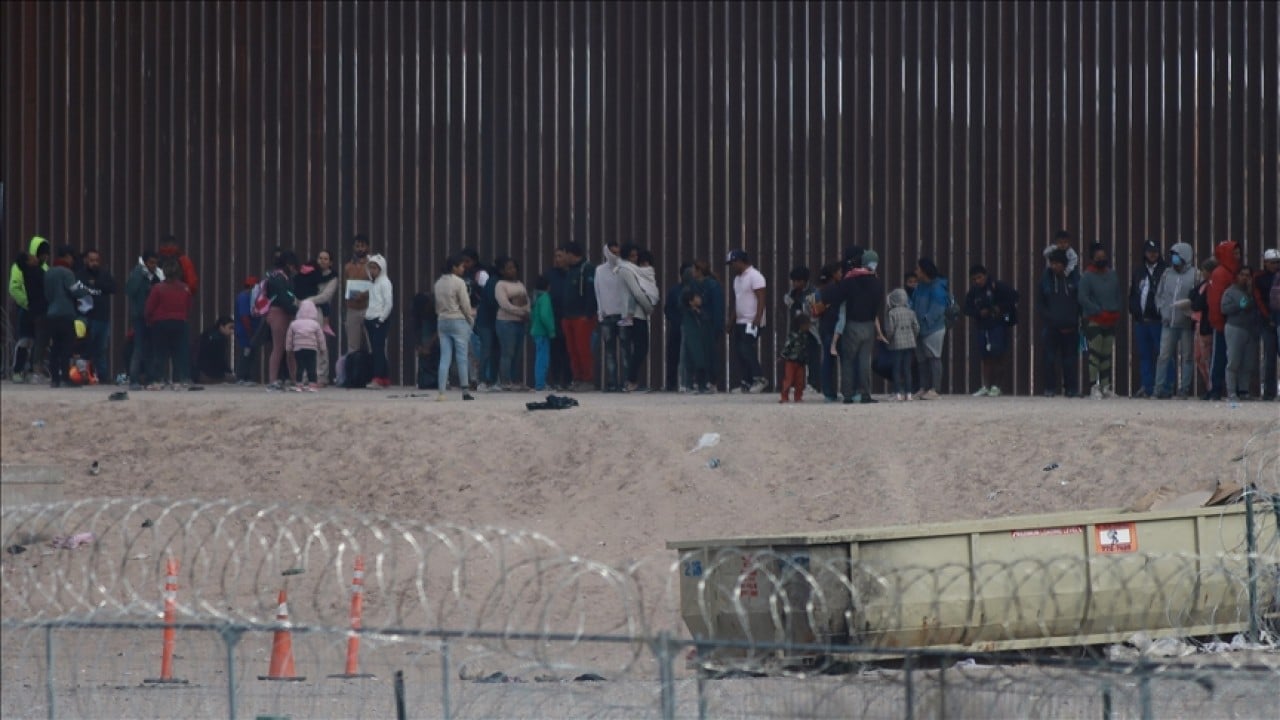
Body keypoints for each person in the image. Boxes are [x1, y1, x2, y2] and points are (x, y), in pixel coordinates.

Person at [817, 247, 883, 404]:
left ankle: (848, 395)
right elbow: (876, 306)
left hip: (852, 325)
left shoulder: (849, 281)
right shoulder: (877, 283)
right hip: (868, 325)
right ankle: (865, 394)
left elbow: (836, 298)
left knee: (848, 360)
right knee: (864, 360)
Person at [964, 265, 1020, 397]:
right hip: (982, 326)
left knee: (999, 355)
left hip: (998, 325)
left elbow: (1015, 297)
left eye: (980, 277)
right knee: (985, 357)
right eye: (975, 279)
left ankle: (997, 386)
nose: (978, 281)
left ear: (986, 275)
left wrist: (998, 308)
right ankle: (986, 386)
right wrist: (978, 312)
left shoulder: (997, 286)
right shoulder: (974, 291)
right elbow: (966, 308)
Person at [1078, 243, 1123, 399]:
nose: (1102, 260)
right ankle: (1093, 386)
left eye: (1104, 258)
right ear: (1092, 259)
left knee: (1106, 354)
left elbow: (1118, 294)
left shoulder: (1112, 275)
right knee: (1094, 354)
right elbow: (1083, 298)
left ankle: (1106, 386)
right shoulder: (1087, 276)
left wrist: (1116, 310)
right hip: (1094, 320)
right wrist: (1097, 311)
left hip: (1110, 320)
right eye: (1098, 258)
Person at [1153, 243, 1197, 399]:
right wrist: (1161, 310)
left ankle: (1184, 389)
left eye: (1177, 254)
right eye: (1172, 254)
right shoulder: (1167, 274)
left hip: (1186, 324)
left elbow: (1197, 297)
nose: (1174, 258)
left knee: (1187, 357)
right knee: (1163, 356)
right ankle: (1158, 389)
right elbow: (1159, 294)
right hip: (1168, 323)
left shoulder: (1194, 274)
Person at [43, 246, 91, 388]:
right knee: (66, 347)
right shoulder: (67, 273)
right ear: (67, 257)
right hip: (65, 314)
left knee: (55, 347)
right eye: (71, 258)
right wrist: (86, 292)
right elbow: (74, 290)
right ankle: (65, 377)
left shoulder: (48, 273)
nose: (72, 261)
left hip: (51, 313)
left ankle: (55, 379)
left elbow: (47, 295)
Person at [144, 258, 193, 389]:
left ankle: (158, 380)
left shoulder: (157, 288)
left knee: (160, 353)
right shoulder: (185, 288)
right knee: (179, 352)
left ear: (164, 272)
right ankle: (180, 380)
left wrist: (149, 320)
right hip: (179, 323)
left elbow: (149, 307)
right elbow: (188, 306)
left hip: (160, 324)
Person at [1128, 240, 1168, 398]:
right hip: (1141, 321)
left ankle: (1165, 387)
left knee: (1163, 355)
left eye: (1155, 251)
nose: (1153, 254)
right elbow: (1133, 293)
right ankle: (1147, 386)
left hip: (1157, 320)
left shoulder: (1165, 271)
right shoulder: (1139, 271)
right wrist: (1134, 310)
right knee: (1144, 355)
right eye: (1150, 251)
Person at [7, 236, 50, 382]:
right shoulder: (19, 266)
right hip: (26, 308)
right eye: (43, 253)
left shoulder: (43, 267)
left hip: (41, 309)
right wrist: (27, 303)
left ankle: (33, 372)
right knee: (25, 341)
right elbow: (14, 288)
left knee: (38, 342)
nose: (46, 256)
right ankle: (18, 371)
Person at [1040, 249, 1081, 398]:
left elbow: (1079, 301)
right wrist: (1049, 318)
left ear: (1064, 265)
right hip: (1051, 327)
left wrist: (1075, 319)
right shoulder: (1046, 280)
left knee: (1070, 360)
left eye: (1057, 263)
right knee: (1049, 359)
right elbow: (1041, 303)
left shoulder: (1073, 279)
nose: (1054, 266)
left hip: (1070, 327)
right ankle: (1050, 388)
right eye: (1052, 263)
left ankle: (1071, 389)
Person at [725, 249, 768, 393]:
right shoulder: (737, 279)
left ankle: (759, 378)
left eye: (733, 263)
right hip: (740, 321)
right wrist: (731, 321)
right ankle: (746, 382)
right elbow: (738, 301)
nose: (732, 267)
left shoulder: (755, 276)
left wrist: (757, 318)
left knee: (746, 349)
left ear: (740, 261)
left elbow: (761, 298)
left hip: (752, 321)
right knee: (739, 351)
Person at [434, 254, 475, 401]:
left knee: (445, 357)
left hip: (442, 321)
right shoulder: (459, 282)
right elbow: (465, 304)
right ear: (454, 267)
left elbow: (437, 306)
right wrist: (470, 320)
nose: (464, 268)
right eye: (461, 266)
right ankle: (465, 391)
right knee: (462, 357)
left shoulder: (438, 283)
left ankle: (441, 392)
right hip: (458, 321)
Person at [556, 242, 597, 390]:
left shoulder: (587, 269)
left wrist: (588, 314)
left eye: (563, 254)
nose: (561, 258)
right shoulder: (570, 271)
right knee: (572, 350)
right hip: (568, 317)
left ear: (571, 254)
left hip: (582, 317)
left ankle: (587, 380)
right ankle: (577, 378)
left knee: (583, 349)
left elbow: (591, 293)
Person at [296, 250, 339, 385]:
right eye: (320, 258)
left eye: (326, 259)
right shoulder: (311, 273)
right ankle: (305, 377)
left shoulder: (332, 278)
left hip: (319, 311)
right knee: (304, 343)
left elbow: (326, 296)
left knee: (320, 344)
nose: (322, 261)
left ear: (330, 262)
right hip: (303, 312)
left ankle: (321, 376)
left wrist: (308, 300)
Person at [1205, 240, 1241, 401]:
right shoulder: (1221, 273)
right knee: (1219, 358)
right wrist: (1218, 322)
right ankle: (1215, 389)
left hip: (1232, 323)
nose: (1238, 256)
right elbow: (1214, 301)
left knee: (1230, 357)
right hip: (1223, 324)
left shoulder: (1232, 272)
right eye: (1235, 253)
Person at [909, 257, 949, 400]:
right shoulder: (920, 286)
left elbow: (938, 309)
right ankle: (924, 387)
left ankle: (936, 389)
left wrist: (925, 320)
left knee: (934, 357)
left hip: (933, 329)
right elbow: (912, 302)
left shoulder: (937, 287)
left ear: (924, 271)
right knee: (922, 359)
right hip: (919, 329)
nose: (916, 271)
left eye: (918, 269)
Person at [75, 248, 117, 380]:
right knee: (86, 348)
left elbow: (113, 288)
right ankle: (82, 376)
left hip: (103, 317)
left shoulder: (104, 274)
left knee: (101, 349)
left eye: (96, 260)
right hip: (88, 317)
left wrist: (97, 284)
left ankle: (103, 377)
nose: (94, 263)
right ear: (86, 260)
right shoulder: (80, 275)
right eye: (91, 260)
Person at [595, 243, 631, 392]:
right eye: (612, 252)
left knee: (625, 352)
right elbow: (598, 292)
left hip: (623, 315)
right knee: (610, 353)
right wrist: (600, 312)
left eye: (617, 252)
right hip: (607, 315)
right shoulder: (599, 270)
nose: (615, 255)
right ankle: (612, 383)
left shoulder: (625, 269)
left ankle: (627, 382)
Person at [1221, 265, 1260, 402]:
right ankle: (1231, 392)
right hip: (1235, 327)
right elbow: (1224, 309)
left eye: (1247, 275)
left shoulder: (1254, 292)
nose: (1245, 278)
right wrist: (1239, 306)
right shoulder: (1230, 292)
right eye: (1242, 274)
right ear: (1237, 276)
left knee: (1247, 363)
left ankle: (1244, 391)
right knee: (1233, 361)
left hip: (1250, 329)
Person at [125, 250, 162, 389]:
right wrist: (139, 274)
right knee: (139, 348)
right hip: (140, 316)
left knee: (150, 349)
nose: (153, 266)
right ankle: (134, 379)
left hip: (152, 317)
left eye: (155, 263)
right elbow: (130, 290)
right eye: (151, 263)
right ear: (145, 262)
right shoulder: (138, 274)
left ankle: (149, 378)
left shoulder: (157, 275)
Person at [494, 256, 531, 390]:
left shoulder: (520, 284)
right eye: (508, 268)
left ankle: (515, 381)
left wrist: (527, 312)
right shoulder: (500, 285)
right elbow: (505, 304)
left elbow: (527, 301)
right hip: (506, 322)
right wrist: (521, 312)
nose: (512, 270)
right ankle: (505, 381)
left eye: (514, 267)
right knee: (507, 353)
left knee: (517, 354)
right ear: (502, 270)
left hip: (520, 323)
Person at [882, 288, 920, 402]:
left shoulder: (892, 313)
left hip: (896, 344)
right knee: (907, 368)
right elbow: (916, 327)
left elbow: (890, 330)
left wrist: (888, 339)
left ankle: (898, 393)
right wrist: (913, 337)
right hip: (910, 343)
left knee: (897, 369)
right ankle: (909, 394)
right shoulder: (911, 312)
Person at [693, 260, 725, 390]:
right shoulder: (698, 285)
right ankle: (703, 381)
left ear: (699, 271)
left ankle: (711, 381)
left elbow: (717, 308)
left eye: (694, 270)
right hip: (702, 323)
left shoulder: (712, 286)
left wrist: (717, 326)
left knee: (710, 354)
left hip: (709, 323)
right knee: (702, 353)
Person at [363, 253, 393, 388]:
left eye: (375, 268)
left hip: (379, 319)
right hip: (370, 318)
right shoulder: (373, 282)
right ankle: (384, 377)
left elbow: (389, 303)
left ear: (381, 269)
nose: (372, 271)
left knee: (378, 349)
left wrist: (381, 319)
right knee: (375, 349)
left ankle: (377, 378)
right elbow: (366, 269)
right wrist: (369, 260)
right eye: (371, 268)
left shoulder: (385, 283)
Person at [1189, 258, 1218, 393]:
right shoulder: (1202, 285)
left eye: (1204, 271)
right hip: (1198, 325)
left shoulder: (1212, 286)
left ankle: (1211, 387)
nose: (1202, 273)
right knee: (1199, 358)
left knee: (1207, 358)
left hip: (1206, 325)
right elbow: (1192, 296)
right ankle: (1208, 385)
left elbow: (1198, 304)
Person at [1254, 248, 1279, 400]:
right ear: (1265, 263)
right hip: (1267, 321)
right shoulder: (1260, 277)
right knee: (1269, 357)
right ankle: (1269, 392)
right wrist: (1268, 317)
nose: (1275, 265)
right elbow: (1258, 298)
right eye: (1273, 262)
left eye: (1277, 262)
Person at [286, 300, 325, 392]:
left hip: (298, 349)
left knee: (300, 366)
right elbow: (321, 337)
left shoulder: (294, 323)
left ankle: (299, 384)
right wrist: (322, 348)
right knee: (311, 366)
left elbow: (289, 337)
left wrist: (288, 348)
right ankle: (312, 385)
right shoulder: (315, 324)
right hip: (311, 348)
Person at [664, 262, 691, 392]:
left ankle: (690, 383)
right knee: (673, 356)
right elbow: (668, 309)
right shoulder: (675, 290)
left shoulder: (696, 289)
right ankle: (671, 384)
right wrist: (676, 321)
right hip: (676, 328)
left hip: (692, 329)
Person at [680, 288, 714, 394]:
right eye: (697, 297)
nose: (699, 299)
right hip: (693, 342)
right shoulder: (688, 314)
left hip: (702, 341)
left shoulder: (701, 312)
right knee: (692, 363)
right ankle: (689, 385)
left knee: (702, 363)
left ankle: (702, 385)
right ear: (691, 302)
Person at [342, 234, 372, 354]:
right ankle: (354, 372)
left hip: (369, 308)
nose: (360, 249)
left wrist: (363, 295)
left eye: (362, 246)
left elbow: (375, 286)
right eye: (357, 246)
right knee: (352, 346)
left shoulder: (372, 265)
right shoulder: (348, 267)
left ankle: (374, 372)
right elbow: (346, 287)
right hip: (352, 309)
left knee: (372, 344)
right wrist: (354, 295)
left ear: (367, 247)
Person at [529, 274, 556, 392]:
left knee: (539, 358)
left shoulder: (536, 298)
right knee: (543, 359)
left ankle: (540, 383)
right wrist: (551, 330)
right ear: (548, 287)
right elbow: (545, 315)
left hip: (536, 331)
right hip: (543, 332)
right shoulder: (545, 298)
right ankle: (540, 384)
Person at [234, 276, 261, 384]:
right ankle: (241, 377)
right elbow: (244, 317)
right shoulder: (244, 297)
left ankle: (248, 377)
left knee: (251, 354)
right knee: (246, 353)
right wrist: (250, 332)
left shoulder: (250, 297)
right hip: (246, 332)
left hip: (250, 332)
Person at [778, 312, 810, 403]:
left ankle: (798, 397)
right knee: (788, 380)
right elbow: (787, 347)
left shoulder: (805, 336)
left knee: (800, 381)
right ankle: (784, 396)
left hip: (800, 362)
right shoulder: (793, 336)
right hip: (791, 361)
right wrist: (782, 356)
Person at [195, 316, 235, 384]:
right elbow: (219, 360)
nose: (232, 331)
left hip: (198, 373)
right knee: (233, 379)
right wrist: (229, 372)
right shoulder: (219, 339)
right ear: (221, 327)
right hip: (208, 374)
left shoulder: (208, 333)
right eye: (230, 328)